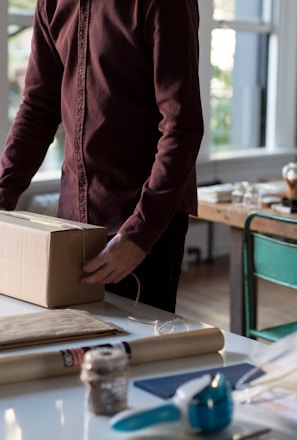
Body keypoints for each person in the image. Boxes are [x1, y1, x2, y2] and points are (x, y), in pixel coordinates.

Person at [0, 0, 204, 313]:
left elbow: (182, 126)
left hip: (142, 223)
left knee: (138, 355)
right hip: (71, 226)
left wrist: (140, 233)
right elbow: (38, 107)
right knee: (74, 351)